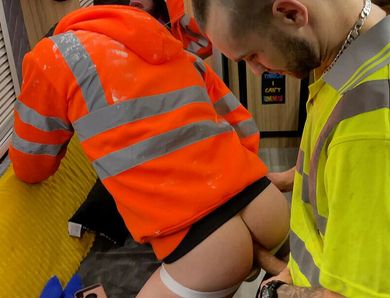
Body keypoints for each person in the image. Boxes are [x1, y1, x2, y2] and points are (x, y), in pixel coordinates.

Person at [10, 5, 290, 297]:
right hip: (265, 204)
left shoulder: (53, 56)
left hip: (205, 249)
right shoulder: (170, 44)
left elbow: (30, 166)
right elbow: (240, 122)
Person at [191, 0, 390, 296]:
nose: (256, 71)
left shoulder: (374, 129)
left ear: (291, 13)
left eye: (253, 54)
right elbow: (338, 165)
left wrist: (277, 292)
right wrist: (286, 178)